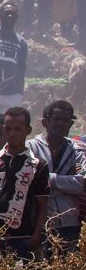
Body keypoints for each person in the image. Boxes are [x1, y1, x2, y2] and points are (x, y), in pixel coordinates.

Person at [0, 106, 50, 260]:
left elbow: (42, 205)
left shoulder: (37, 164)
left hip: (21, 238)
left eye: (17, 129)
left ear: (28, 130)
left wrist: (35, 237)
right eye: (8, 129)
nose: (12, 133)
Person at [27, 100, 85, 249]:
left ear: (71, 125)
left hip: (69, 222)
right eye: (57, 119)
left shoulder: (77, 149)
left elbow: (81, 185)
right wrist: (67, 180)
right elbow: (29, 179)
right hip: (37, 222)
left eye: (65, 120)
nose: (60, 124)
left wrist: (47, 178)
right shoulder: (31, 147)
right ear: (45, 121)